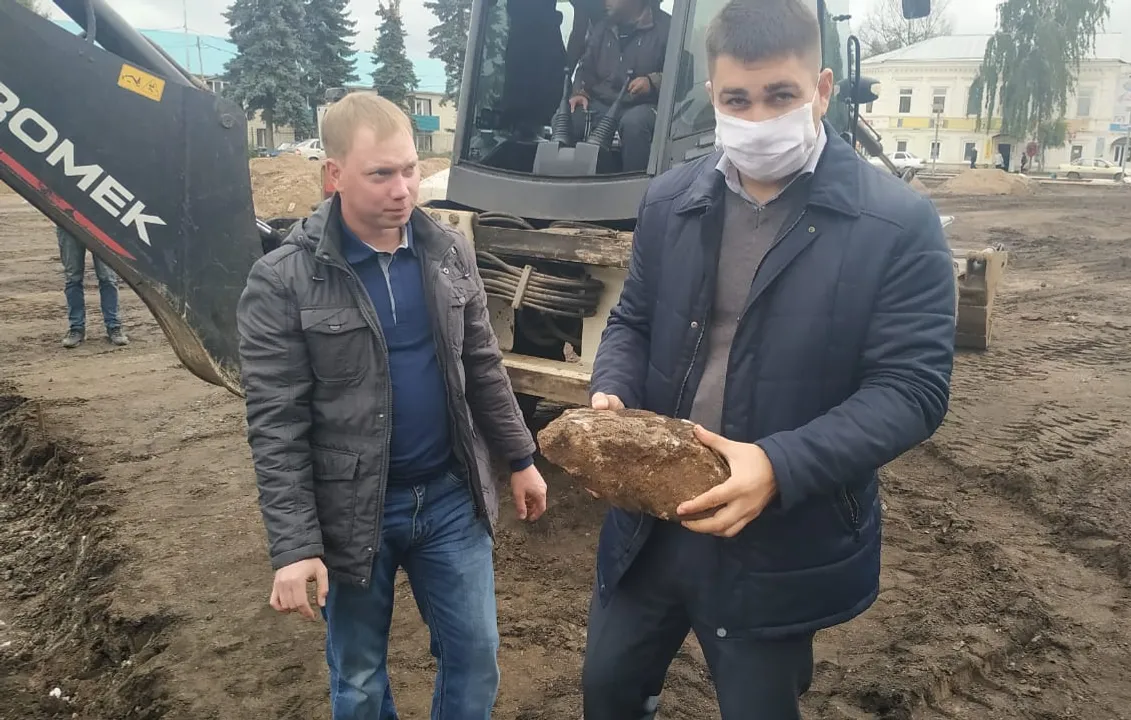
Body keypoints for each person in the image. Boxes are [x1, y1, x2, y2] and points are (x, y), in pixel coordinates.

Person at [581, 1, 956, 718]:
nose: (757, 118)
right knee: (608, 688)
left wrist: (779, 467)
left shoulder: (896, 225)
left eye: (780, 96)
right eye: (737, 100)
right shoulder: (670, 201)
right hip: (652, 523)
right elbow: (633, 320)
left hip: (778, 539)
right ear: (712, 96)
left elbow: (912, 389)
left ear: (822, 89)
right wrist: (613, 389)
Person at [236, 91, 549, 720]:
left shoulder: (448, 252)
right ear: (334, 175)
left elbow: (481, 366)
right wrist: (295, 546)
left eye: (409, 170)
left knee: (476, 655)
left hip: (450, 498)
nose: (402, 190)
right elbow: (277, 425)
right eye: (380, 174)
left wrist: (520, 458)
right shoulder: (283, 282)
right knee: (357, 678)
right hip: (354, 512)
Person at [569, 0, 671, 172]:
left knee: (634, 124)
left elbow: (684, 74)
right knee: (569, 115)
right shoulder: (602, 28)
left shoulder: (667, 29)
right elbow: (585, 68)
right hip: (603, 105)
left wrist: (652, 82)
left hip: (645, 106)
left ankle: (637, 185)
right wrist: (579, 92)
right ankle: (568, 182)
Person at [56, 225, 128, 348]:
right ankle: (76, 328)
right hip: (68, 224)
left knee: (108, 278)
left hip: (101, 224)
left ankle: (114, 326)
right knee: (73, 278)